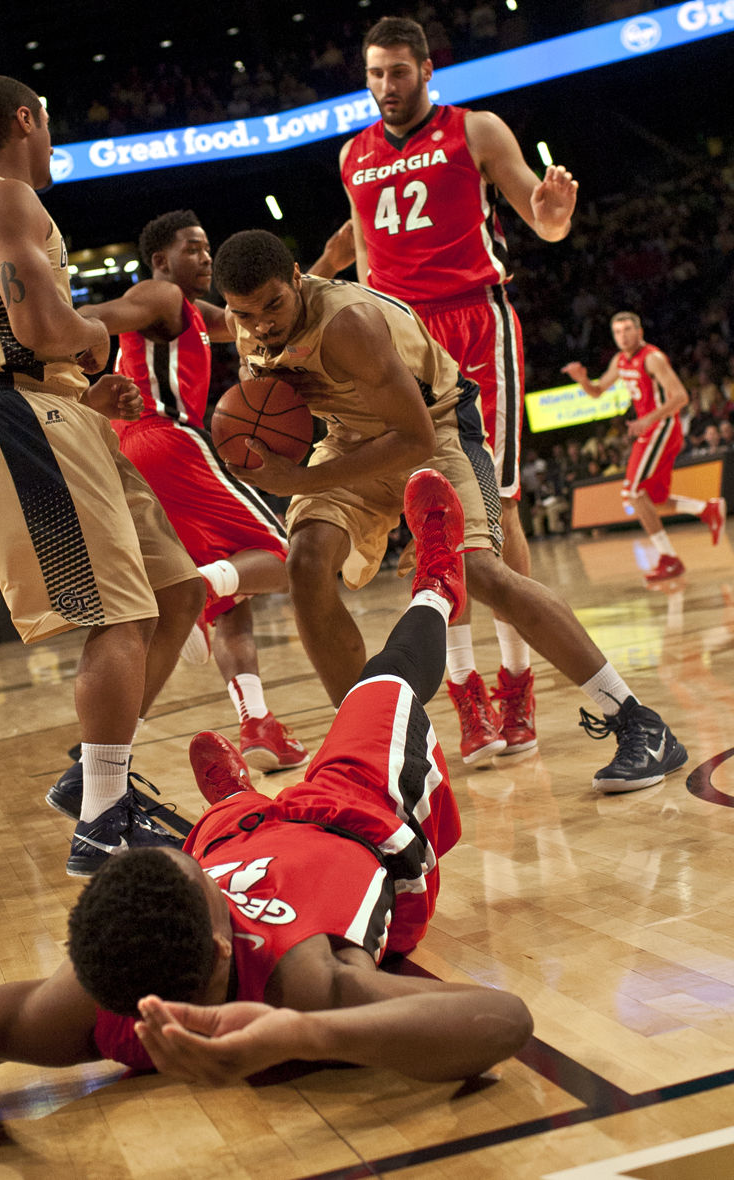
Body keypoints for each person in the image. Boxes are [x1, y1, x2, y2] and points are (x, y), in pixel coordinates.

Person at [0, 471, 534, 1098]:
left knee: (216, 831)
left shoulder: (96, 1002)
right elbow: (504, 1022)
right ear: (226, 945)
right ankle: (438, 589)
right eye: (206, 884)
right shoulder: (306, 986)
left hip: (244, 837)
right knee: (381, 687)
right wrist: (301, 1037)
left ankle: (229, 803)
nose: (210, 881)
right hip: (348, 819)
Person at [211, 229, 686, 794]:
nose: (261, 323)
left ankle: (637, 720)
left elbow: (413, 438)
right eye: (246, 313)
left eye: (273, 305)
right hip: (349, 440)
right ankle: (375, 750)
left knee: (480, 572)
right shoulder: (250, 333)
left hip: (436, 431)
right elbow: (275, 403)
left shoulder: (348, 323)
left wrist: (301, 478)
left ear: (296, 276)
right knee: (306, 563)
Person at [0, 76, 205, 875]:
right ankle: (102, 821)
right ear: (26, 120)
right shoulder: (4, 199)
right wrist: (107, 328)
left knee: (175, 590)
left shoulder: (10, 208)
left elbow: (35, 338)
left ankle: (96, 779)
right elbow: (43, 326)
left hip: (58, 410)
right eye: (49, 125)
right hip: (19, 420)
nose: (54, 142)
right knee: (119, 618)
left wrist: (88, 382)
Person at [314, 15, 579, 766]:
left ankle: (518, 686)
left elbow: (540, 214)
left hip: (474, 323)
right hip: (397, 337)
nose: (386, 87)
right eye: (374, 74)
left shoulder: (478, 130)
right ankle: (466, 695)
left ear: (427, 71)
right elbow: (353, 245)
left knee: (494, 508)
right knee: (428, 511)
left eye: (399, 72)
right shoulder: (353, 155)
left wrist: (553, 218)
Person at [83, 209, 306, 773]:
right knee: (291, 558)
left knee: (238, 598)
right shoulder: (158, 293)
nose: (207, 258)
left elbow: (251, 318)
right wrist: (65, 323)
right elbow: (102, 315)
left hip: (128, 454)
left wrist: (324, 266)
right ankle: (195, 591)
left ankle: (257, 723)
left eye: (209, 249)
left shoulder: (196, 314)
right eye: (195, 248)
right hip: (165, 439)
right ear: (161, 260)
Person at [562, 312, 727, 581]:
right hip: (648, 431)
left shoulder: (652, 358)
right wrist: (581, 379)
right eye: (617, 332)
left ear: (639, 332)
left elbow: (681, 397)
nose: (623, 336)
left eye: (628, 330)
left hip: (662, 427)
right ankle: (706, 510)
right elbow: (598, 390)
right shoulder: (620, 360)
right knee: (652, 500)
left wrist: (647, 419)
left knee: (634, 492)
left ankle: (669, 558)